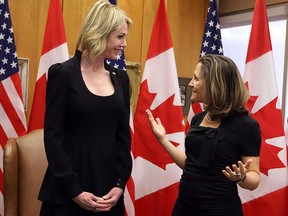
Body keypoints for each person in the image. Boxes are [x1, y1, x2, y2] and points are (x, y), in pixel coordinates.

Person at [38, 1, 132, 215]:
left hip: (109, 192)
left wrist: (119, 184)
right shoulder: (63, 74)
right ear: (100, 33)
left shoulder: (121, 79)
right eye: (120, 36)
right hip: (67, 189)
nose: (124, 43)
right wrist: (74, 191)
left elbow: (124, 137)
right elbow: (52, 137)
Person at [146, 54, 261, 216]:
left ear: (214, 84)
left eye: (196, 79)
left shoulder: (246, 125)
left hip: (220, 210)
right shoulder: (198, 119)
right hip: (184, 207)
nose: (191, 84)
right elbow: (190, 165)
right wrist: (163, 140)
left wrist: (241, 178)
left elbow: (254, 178)